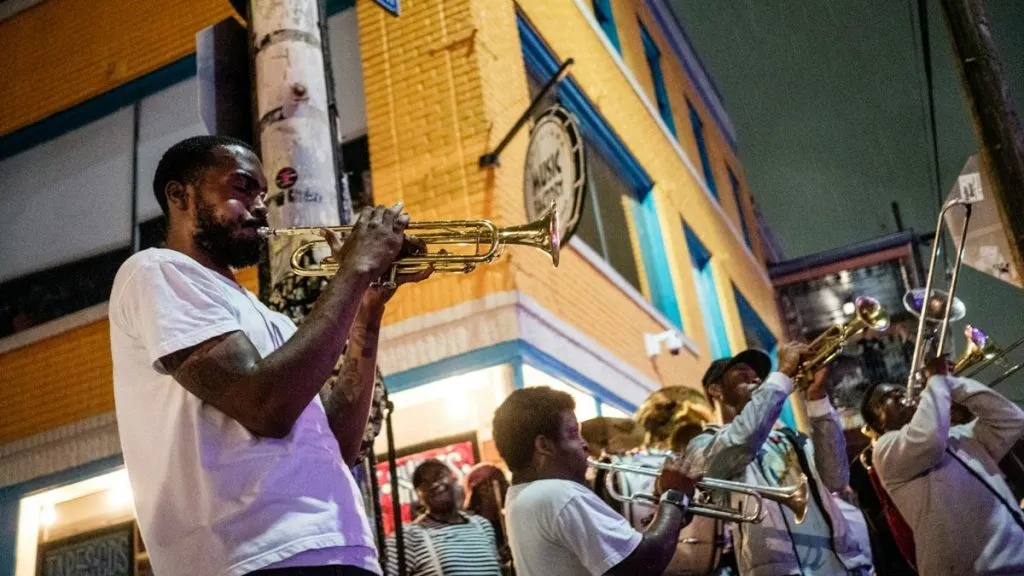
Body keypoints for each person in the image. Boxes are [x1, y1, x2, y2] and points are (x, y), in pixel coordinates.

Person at [109, 135, 430, 576]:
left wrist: (367, 311)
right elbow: (266, 407)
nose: (260, 206)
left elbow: (338, 447)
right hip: (255, 557)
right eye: (242, 188)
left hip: (344, 547)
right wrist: (354, 269)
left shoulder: (271, 320)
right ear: (179, 194)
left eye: (263, 194)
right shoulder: (155, 272)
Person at [684, 347, 873, 576]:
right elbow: (742, 440)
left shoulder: (790, 437)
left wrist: (817, 398)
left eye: (758, 375)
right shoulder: (702, 445)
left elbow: (835, 478)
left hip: (844, 567)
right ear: (715, 389)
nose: (754, 378)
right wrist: (782, 373)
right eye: (742, 372)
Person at [493, 386, 698, 576]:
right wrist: (673, 496)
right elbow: (644, 564)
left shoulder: (519, 495)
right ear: (544, 445)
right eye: (573, 434)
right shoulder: (558, 494)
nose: (584, 444)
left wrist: (669, 514)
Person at [862, 355, 1024, 575]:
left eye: (904, 389)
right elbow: (929, 439)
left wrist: (950, 383)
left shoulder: (958, 435)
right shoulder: (884, 451)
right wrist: (936, 382)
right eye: (894, 395)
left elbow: (1011, 419)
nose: (907, 394)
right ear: (878, 420)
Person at [384, 459, 503, 576]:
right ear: (419, 495)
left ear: (453, 478)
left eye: (439, 476)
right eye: (424, 483)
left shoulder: (482, 526)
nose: (434, 484)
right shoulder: (409, 536)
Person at [464, 464, 514, 573]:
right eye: (501, 483)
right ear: (483, 489)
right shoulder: (469, 527)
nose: (507, 487)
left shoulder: (507, 518)